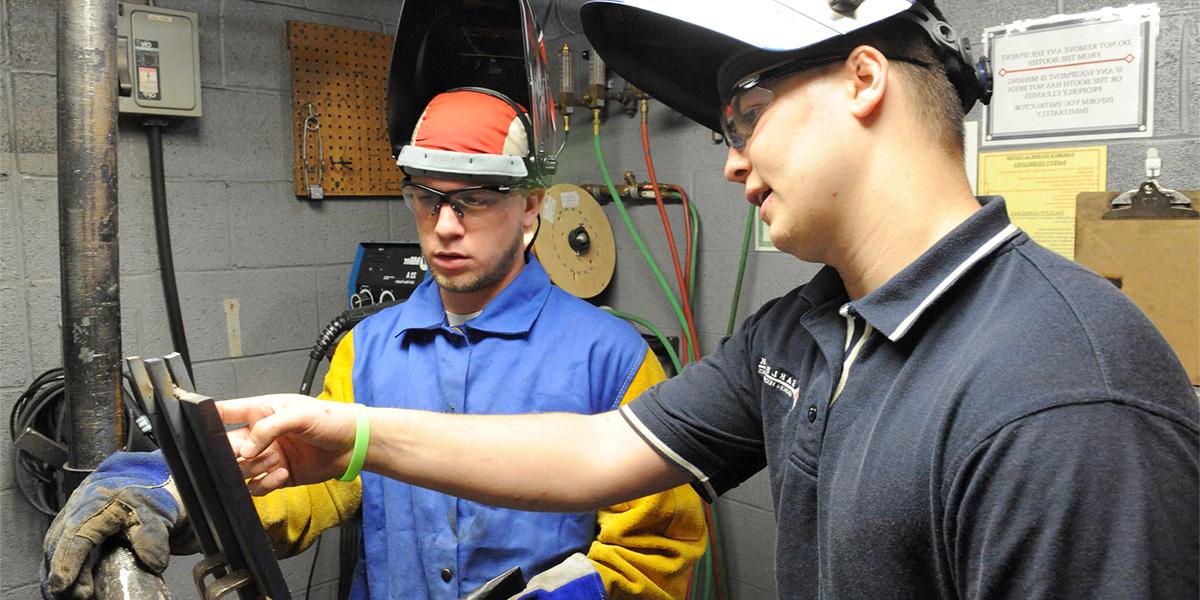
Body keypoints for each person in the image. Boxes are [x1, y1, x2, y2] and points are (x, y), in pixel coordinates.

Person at [215, 1, 1200, 598]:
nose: (729, 161)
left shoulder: (1067, 391)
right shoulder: (809, 333)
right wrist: (337, 435)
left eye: (744, 115)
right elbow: (594, 452)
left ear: (863, 79)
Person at [41, 88, 707, 600]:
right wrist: (184, 492)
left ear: (531, 209)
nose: (445, 227)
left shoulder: (612, 359)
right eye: (426, 199)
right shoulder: (369, 349)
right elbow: (308, 487)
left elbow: (654, 547)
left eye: (474, 200)